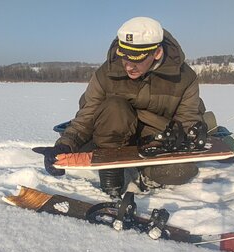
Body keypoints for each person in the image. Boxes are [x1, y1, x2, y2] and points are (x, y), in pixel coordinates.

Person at [33, 17, 208, 198]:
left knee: (181, 171)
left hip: (155, 139)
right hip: (111, 135)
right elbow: (87, 114)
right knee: (114, 107)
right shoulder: (106, 73)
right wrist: (64, 146)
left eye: (137, 59)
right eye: (125, 56)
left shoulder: (185, 78)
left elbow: (187, 119)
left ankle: (144, 172)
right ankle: (112, 175)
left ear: (157, 53)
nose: (129, 66)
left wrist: (178, 139)